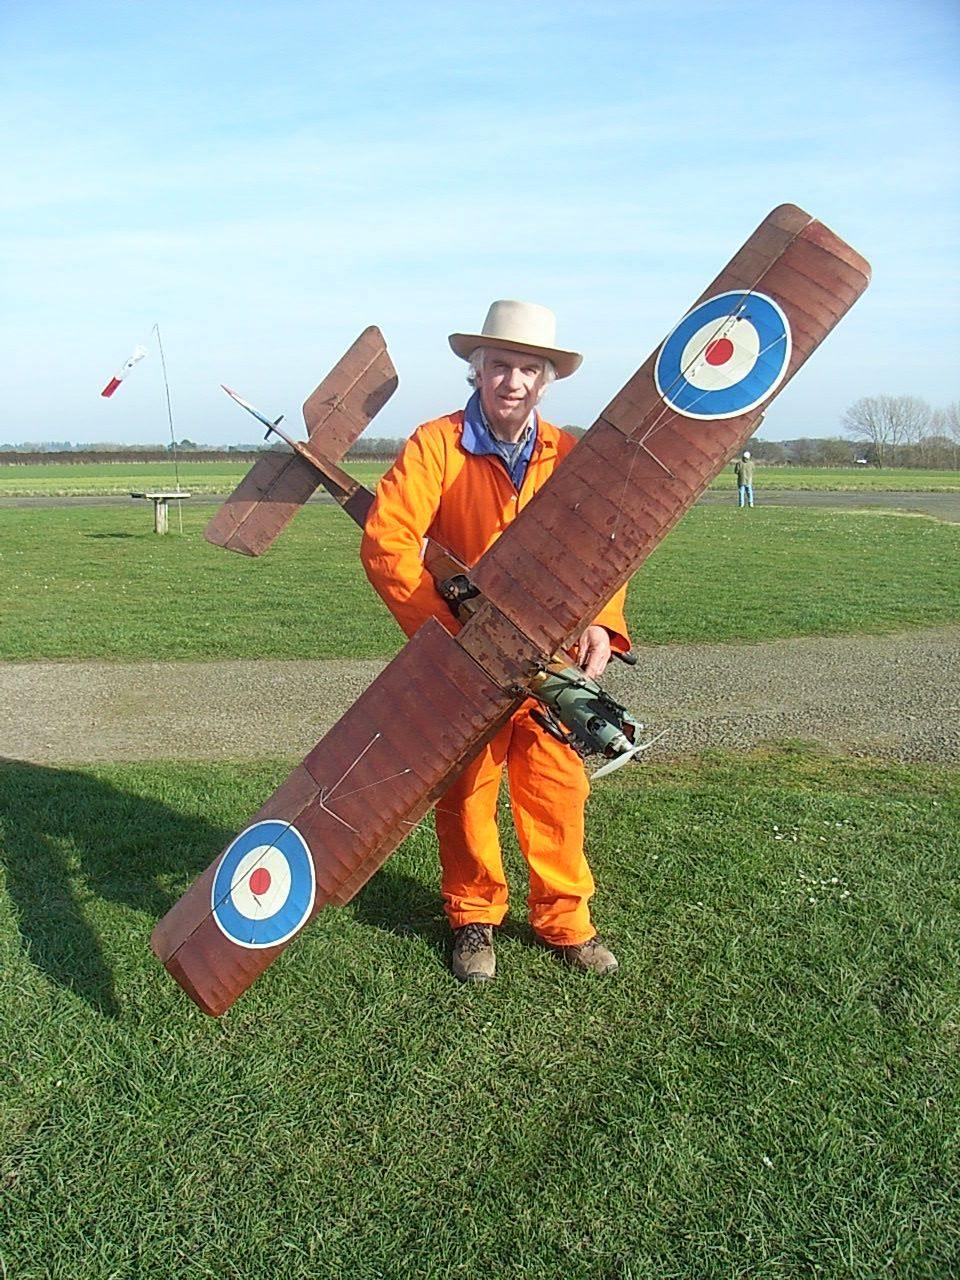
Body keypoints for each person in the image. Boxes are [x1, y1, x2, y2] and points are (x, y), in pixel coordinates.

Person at [361, 300, 630, 983]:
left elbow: (605, 549)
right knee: (468, 792)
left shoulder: (569, 455)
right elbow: (388, 544)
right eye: (500, 366)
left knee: (557, 790)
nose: (513, 381)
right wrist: (454, 638)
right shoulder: (435, 444)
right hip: (465, 663)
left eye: (528, 369)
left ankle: (566, 923)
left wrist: (601, 621)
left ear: (546, 380)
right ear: (477, 371)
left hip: (550, 659)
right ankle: (472, 918)